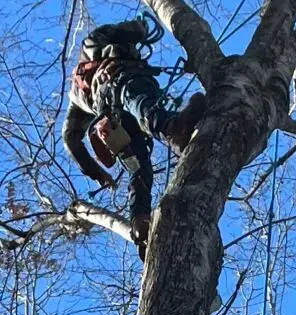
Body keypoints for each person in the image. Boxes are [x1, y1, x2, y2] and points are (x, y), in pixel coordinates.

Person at [63, 16, 203, 246]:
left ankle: (140, 221)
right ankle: (172, 130)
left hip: (112, 121)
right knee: (142, 103)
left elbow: (70, 140)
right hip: (123, 81)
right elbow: (130, 29)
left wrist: (98, 174)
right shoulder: (93, 42)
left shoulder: (77, 96)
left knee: (138, 166)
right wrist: (140, 28)